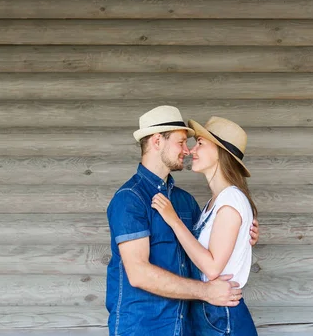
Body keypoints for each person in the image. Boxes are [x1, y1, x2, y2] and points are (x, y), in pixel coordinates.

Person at [106, 106, 259, 336]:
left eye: (194, 143)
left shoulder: (184, 202)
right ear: (157, 141)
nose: (187, 151)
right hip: (143, 328)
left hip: (186, 327)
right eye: (181, 142)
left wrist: (242, 234)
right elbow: (138, 273)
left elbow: (206, 248)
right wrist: (206, 292)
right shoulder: (130, 199)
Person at [151, 116, 258, 336]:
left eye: (200, 143)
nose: (191, 150)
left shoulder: (231, 201)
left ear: (220, 152)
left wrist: (173, 220)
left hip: (221, 314)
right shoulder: (215, 202)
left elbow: (211, 268)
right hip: (209, 311)